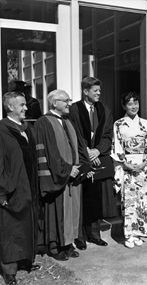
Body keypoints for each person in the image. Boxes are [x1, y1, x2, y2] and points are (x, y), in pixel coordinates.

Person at [69, 77, 117, 249]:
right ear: (85, 91)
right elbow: (74, 134)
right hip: (81, 158)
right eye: (95, 90)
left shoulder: (104, 109)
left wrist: (97, 150)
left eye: (99, 90)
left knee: (96, 199)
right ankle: (80, 236)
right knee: (82, 199)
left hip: (97, 158)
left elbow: (107, 134)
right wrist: (87, 152)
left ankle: (94, 234)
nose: (99, 93)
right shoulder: (74, 109)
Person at [34, 89, 82, 261]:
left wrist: (80, 166)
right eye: (66, 100)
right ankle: (55, 246)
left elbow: (75, 146)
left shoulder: (67, 121)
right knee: (56, 212)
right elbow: (50, 153)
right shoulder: (44, 122)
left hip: (72, 175)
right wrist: (67, 170)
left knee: (71, 211)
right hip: (57, 177)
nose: (69, 103)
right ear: (54, 103)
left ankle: (68, 244)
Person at [0, 91, 39, 285]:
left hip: (27, 185)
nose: (26, 108)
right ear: (10, 107)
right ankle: (9, 271)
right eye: (22, 105)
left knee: (25, 223)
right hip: (11, 186)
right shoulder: (2, 129)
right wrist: (1, 191)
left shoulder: (25, 128)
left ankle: (25, 260)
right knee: (10, 229)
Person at [111, 92, 147, 248]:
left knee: (142, 201)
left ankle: (139, 232)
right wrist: (125, 164)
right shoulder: (119, 124)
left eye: (135, 103)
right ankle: (129, 234)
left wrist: (144, 163)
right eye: (129, 104)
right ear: (124, 106)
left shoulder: (145, 124)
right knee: (129, 201)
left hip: (142, 164)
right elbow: (116, 146)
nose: (133, 106)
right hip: (127, 165)